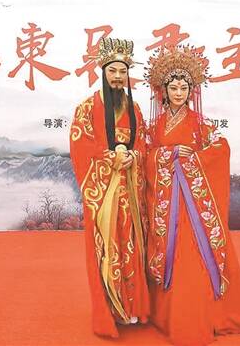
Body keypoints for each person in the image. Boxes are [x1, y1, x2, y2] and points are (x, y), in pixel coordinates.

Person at [144, 44, 240, 346]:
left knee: (193, 257)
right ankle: (166, 315)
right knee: (168, 255)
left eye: (184, 88)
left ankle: (196, 315)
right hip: (167, 205)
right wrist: (169, 153)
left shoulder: (202, 125)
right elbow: (146, 156)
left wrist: (194, 157)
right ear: (163, 90)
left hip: (194, 208)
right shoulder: (153, 126)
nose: (178, 93)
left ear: (191, 90)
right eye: (173, 87)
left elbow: (221, 149)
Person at [69, 37, 149, 338]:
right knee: (106, 247)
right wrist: (110, 159)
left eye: (122, 72)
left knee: (132, 245)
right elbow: (80, 146)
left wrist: (133, 157)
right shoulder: (87, 108)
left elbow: (143, 143)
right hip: (103, 191)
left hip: (131, 189)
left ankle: (132, 307)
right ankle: (109, 310)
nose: (117, 77)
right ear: (102, 72)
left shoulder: (135, 108)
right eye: (112, 71)